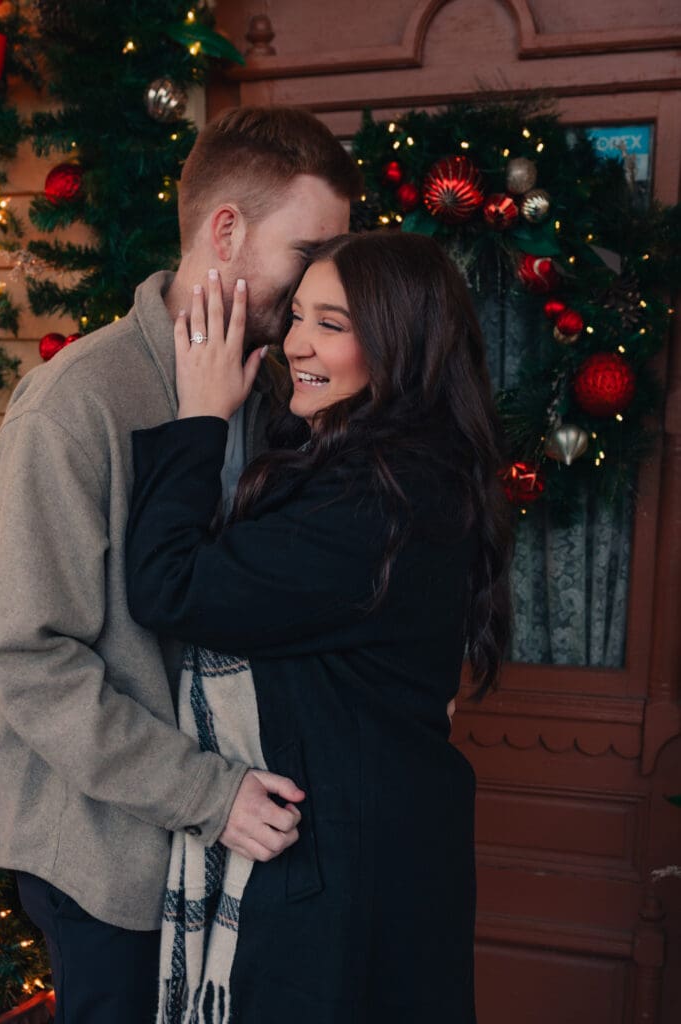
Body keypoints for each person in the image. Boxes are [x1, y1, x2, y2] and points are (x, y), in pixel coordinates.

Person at [0, 106, 361, 1023]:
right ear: (225, 230)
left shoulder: (283, 390)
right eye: (309, 252)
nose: (326, 279)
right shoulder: (76, 405)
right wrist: (205, 794)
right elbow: (30, 662)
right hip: (113, 857)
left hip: (244, 840)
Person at [125, 231, 513, 1023]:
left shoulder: (380, 497)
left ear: (399, 345)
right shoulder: (391, 464)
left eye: (331, 325)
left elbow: (169, 586)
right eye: (298, 316)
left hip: (352, 869)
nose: (295, 343)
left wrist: (200, 417)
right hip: (376, 845)